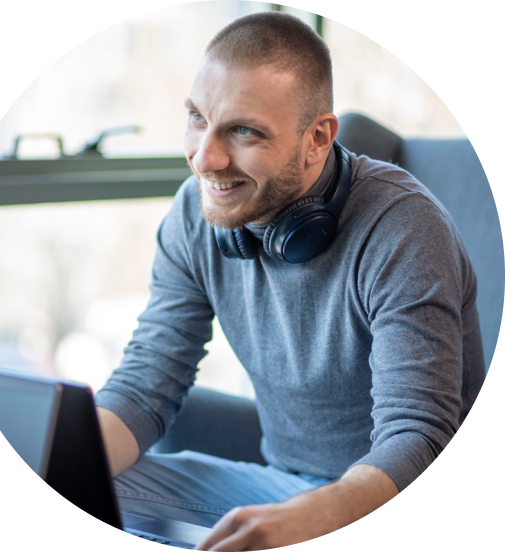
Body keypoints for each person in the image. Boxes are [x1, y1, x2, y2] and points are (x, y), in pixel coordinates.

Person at [94, 12, 484, 550]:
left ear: (317, 139)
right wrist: (62, 459)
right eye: (196, 118)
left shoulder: (404, 228)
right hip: (277, 486)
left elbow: (417, 436)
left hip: (384, 490)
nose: (205, 158)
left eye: (244, 130)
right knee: (88, 484)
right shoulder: (195, 214)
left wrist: (314, 517)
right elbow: (146, 383)